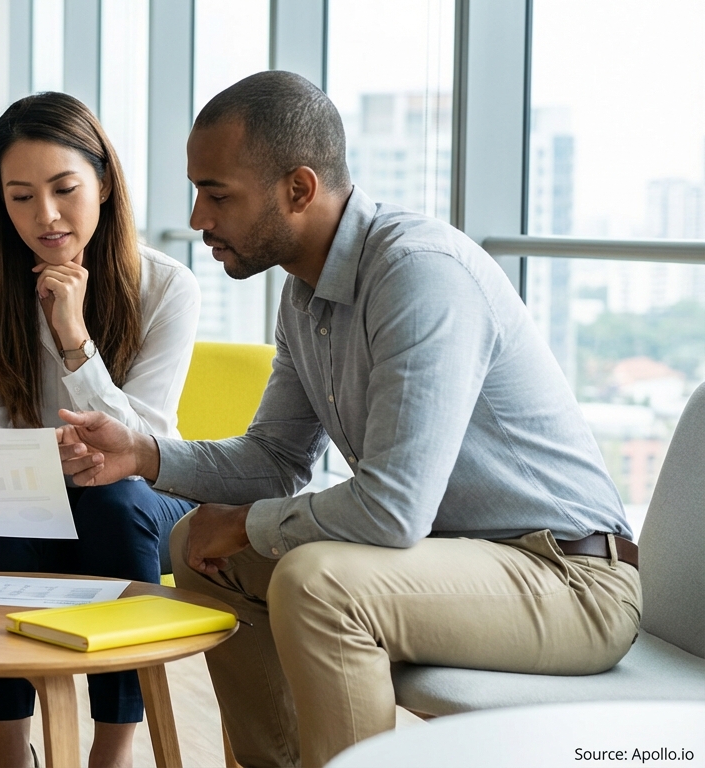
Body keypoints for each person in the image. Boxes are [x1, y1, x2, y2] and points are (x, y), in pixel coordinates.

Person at [56, 71, 641, 768]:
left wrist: (246, 521)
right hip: (445, 566)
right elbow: (274, 459)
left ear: (298, 190)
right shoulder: (305, 298)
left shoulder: (419, 274)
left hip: (567, 581)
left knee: (318, 581)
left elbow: (392, 511)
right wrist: (145, 454)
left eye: (217, 193)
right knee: (199, 547)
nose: (196, 219)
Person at [0, 91, 200, 768]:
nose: (45, 215)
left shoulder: (166, 286)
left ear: (103, 181)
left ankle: (112, 749)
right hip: (30, 493)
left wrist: (74, 338)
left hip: (145, 497)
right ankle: (11, 749)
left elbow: (144, 441)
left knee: (112, 497)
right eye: (20, 197)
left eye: (65, 188)